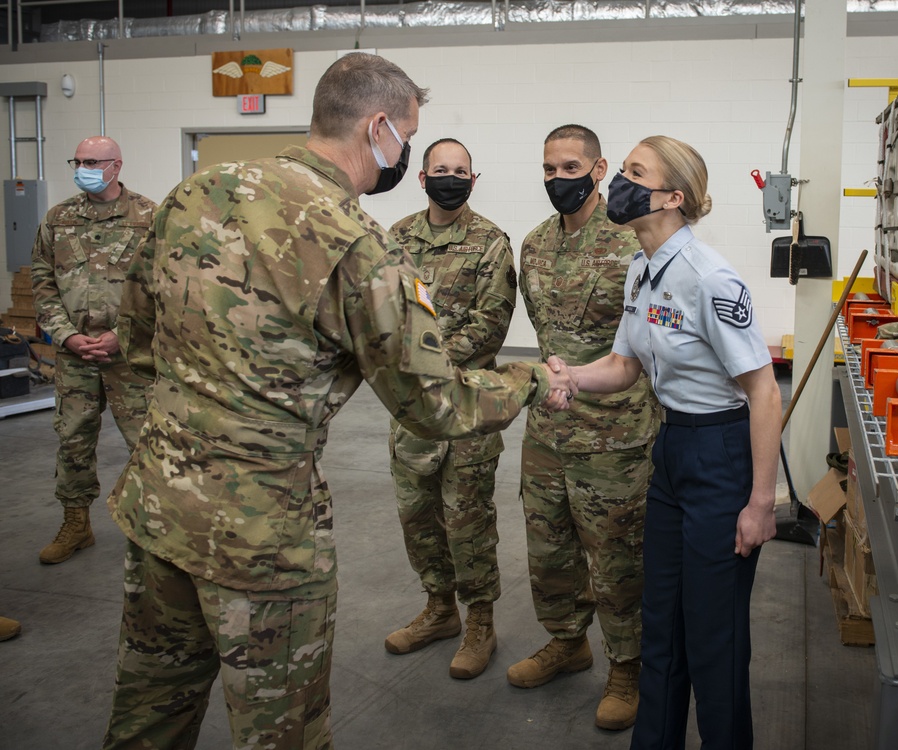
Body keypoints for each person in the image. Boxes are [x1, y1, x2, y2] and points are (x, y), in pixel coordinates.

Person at [100, 52, 575, 750]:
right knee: (280, 734)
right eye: (408, 136)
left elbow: (135, 340)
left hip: (156, 510)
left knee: (146, 718)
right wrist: (534, 380)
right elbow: (433, 405)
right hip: (262, 537)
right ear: (379, 128)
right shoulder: (353, 242)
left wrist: (169, 444)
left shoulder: (197, 190)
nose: (409, 153)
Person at [560, 135, 781, 749]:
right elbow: (625, 366)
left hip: (721, 456)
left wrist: (762, 502)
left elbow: (763, 392)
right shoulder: (641, 269)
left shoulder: (710, 279)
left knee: (714, 637)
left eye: (635, 173)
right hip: (672, 452)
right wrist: (573, 377)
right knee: (660, 626)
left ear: (671, 198)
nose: (619, 183)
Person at [508, 124, 657, 731]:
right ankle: (568, 641)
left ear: (599, 171)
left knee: (617, 556)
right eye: (549, 169)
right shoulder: (535, 244)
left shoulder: (632, 246)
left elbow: (645, 348)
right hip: (549, 429)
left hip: (615, 438)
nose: (557, 179)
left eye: (571, 168)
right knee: (548, 549)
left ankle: (628, 666)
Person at [384, 138, 516, 680]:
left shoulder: (490, 242)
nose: (451, 177)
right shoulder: (396, 239)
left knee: (468, 523)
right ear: (422, 178)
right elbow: (381, 308)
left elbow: (491, 324)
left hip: (466, 408)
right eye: (441, 170)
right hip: (412, 414)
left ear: (473, 179)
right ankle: (439, 609)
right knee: (418, 519)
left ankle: (479, 621)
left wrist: (419, 355)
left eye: (460, 171)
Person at [30, 136, 156, 565]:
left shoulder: (148, 217)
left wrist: (123, 334)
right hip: (74, 354)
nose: (82, 167)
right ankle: (75, 524)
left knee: (147, 443)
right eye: (78, 160)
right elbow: (42, 282)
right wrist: (64, 335)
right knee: (72, 440)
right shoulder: (58, 219)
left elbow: (160, 288)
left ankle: (152, 529)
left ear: (116, 165)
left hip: (130, 357)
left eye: (91, 161)